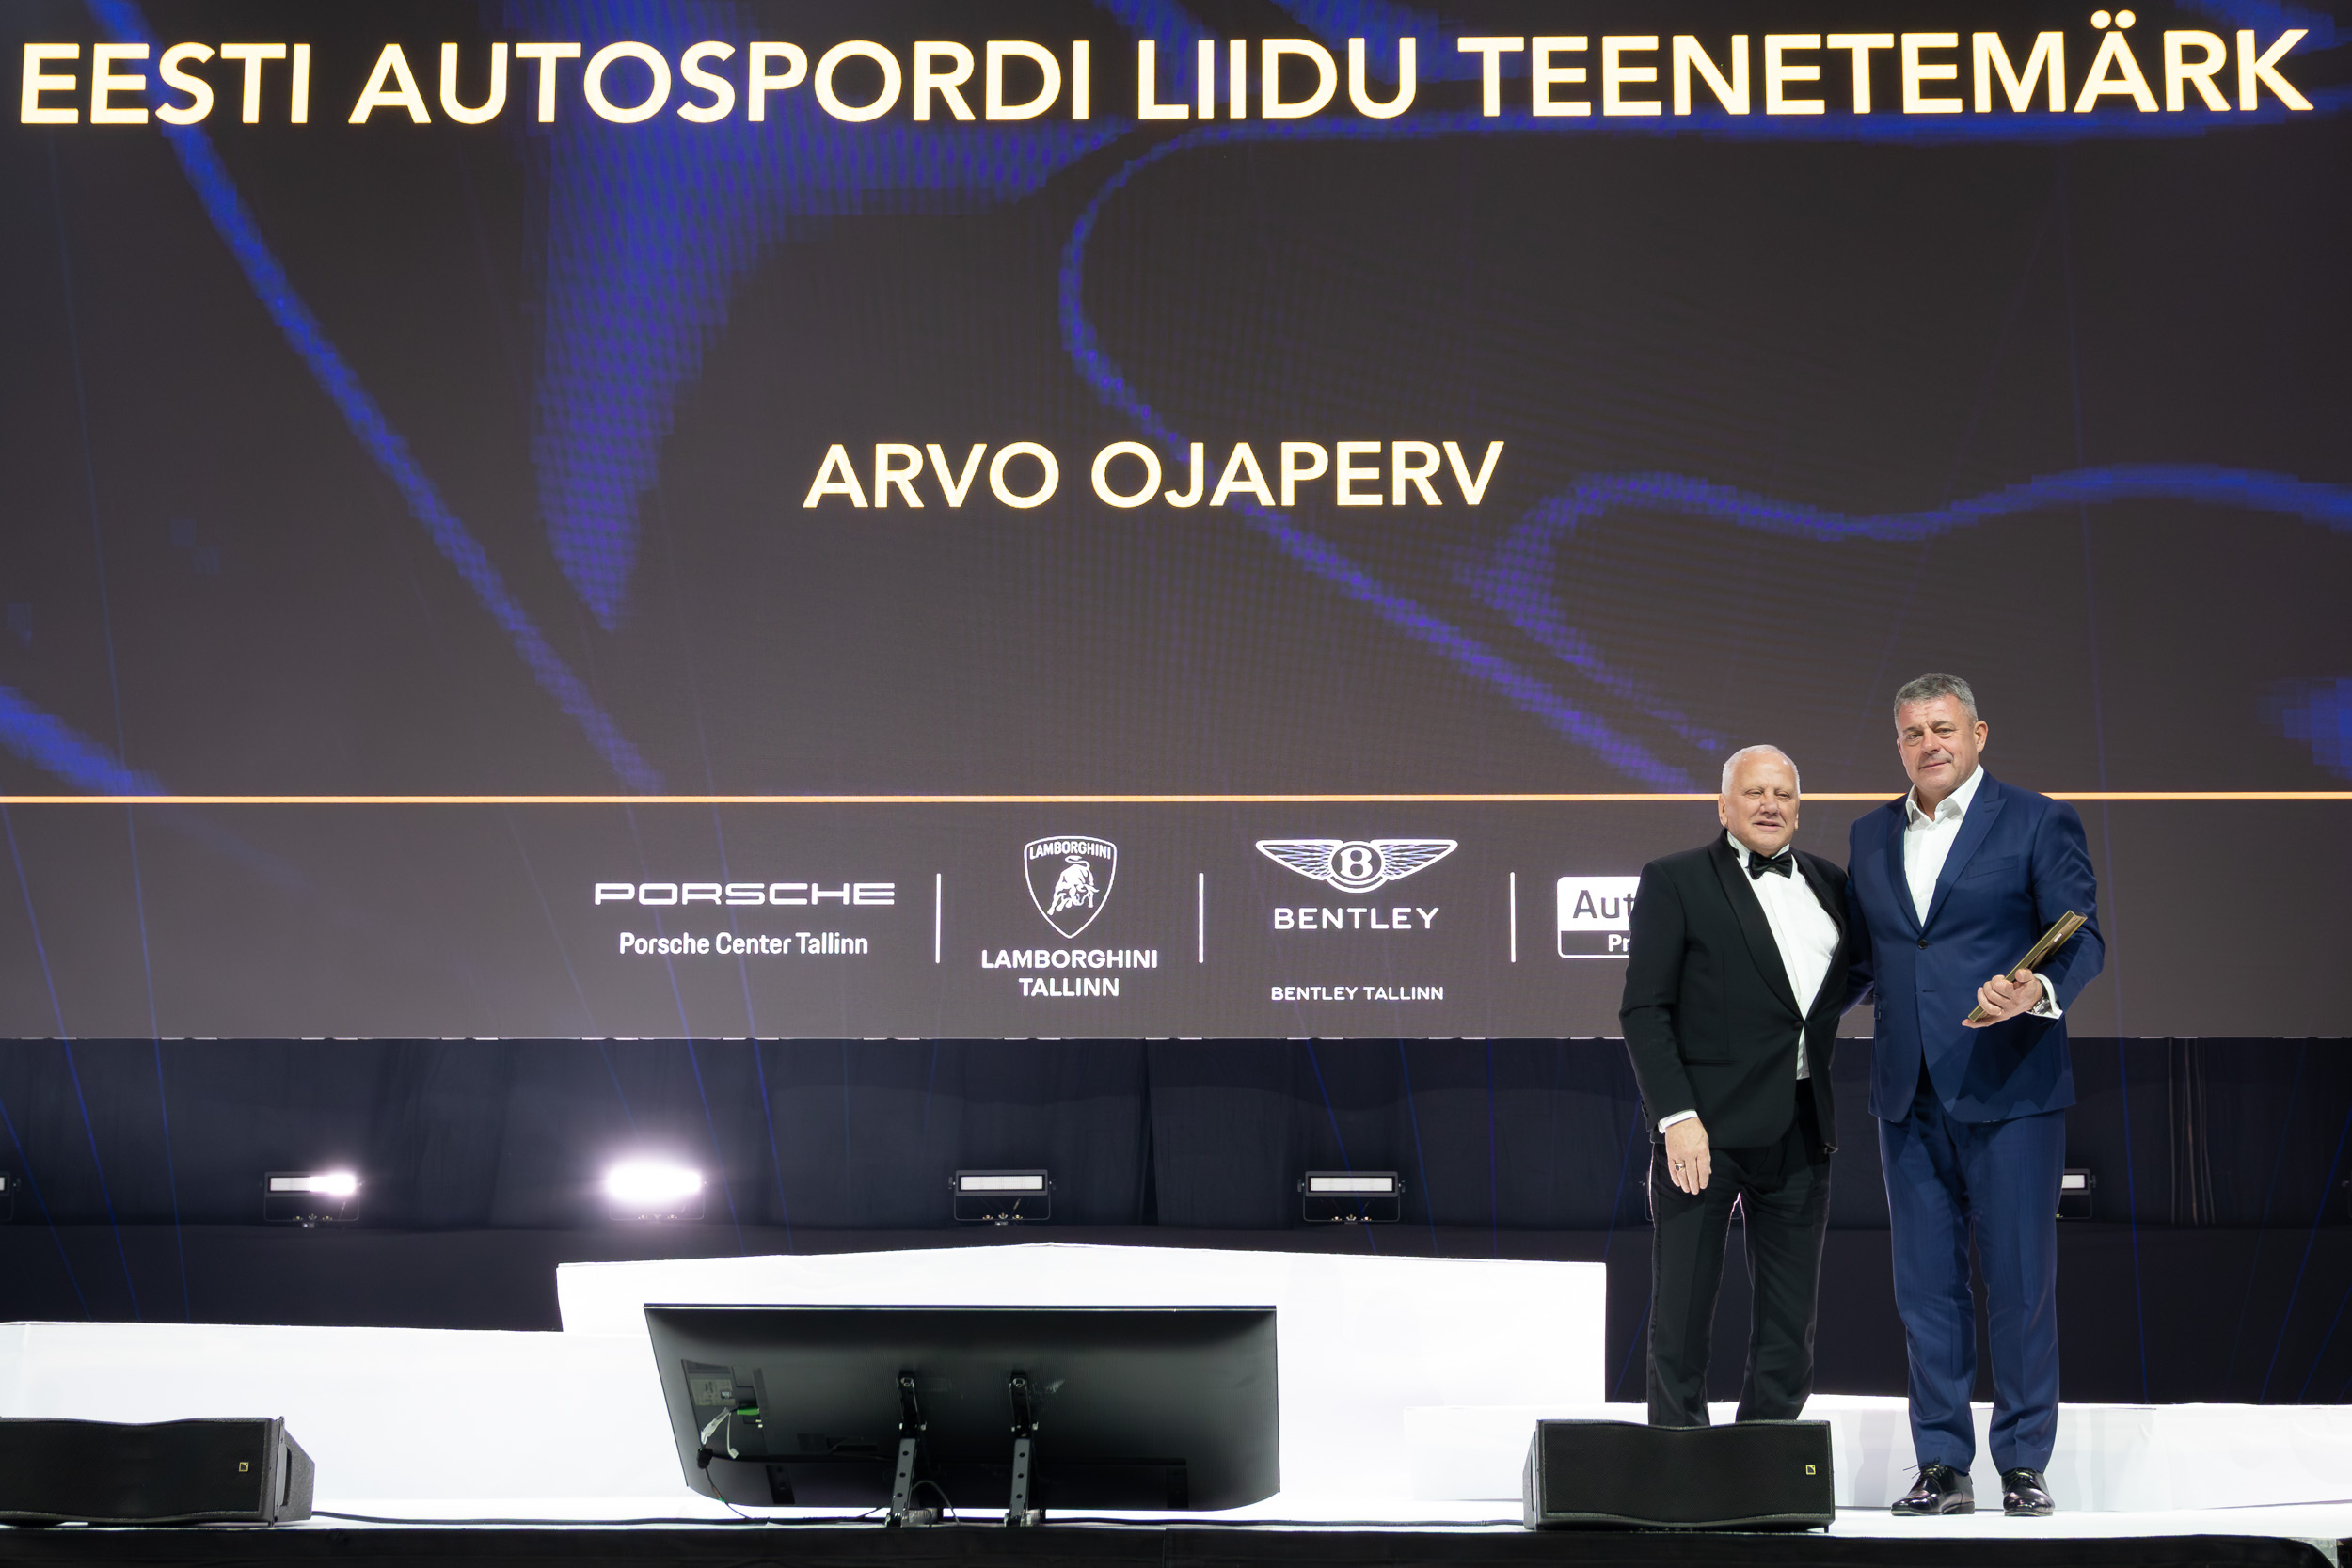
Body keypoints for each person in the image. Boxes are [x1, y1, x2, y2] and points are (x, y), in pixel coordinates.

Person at [1844, 674, 2104, 1519]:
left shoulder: (2037, 818)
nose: (1930, 743)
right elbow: (1865, 961)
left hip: (2010, 1087)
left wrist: (2037, 991)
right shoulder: (1869, 833)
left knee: (2020, 1283)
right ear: (1898, 745)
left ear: (1979, 733)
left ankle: (2023, 1464)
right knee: (1926, 1291)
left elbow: (2082, 936)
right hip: (1906, 1092)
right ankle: (1942, 1465)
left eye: (1944, 728)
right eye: (1914, 732)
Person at [1620, 745, 1854, 1432]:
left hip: (1803, 1128)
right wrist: (1676, 1117)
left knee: (1790, 1325)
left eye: (1783, 794)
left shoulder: (1830, 882)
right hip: (1705, 1132)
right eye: (1754, 792)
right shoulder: (1675, 879)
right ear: (1723, 806)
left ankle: (1764, 1464)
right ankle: (1679, 1469)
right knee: (1683, 1316)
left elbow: (1834, 991)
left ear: (1799, 808)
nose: (1769, 805)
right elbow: (1645, 1009)